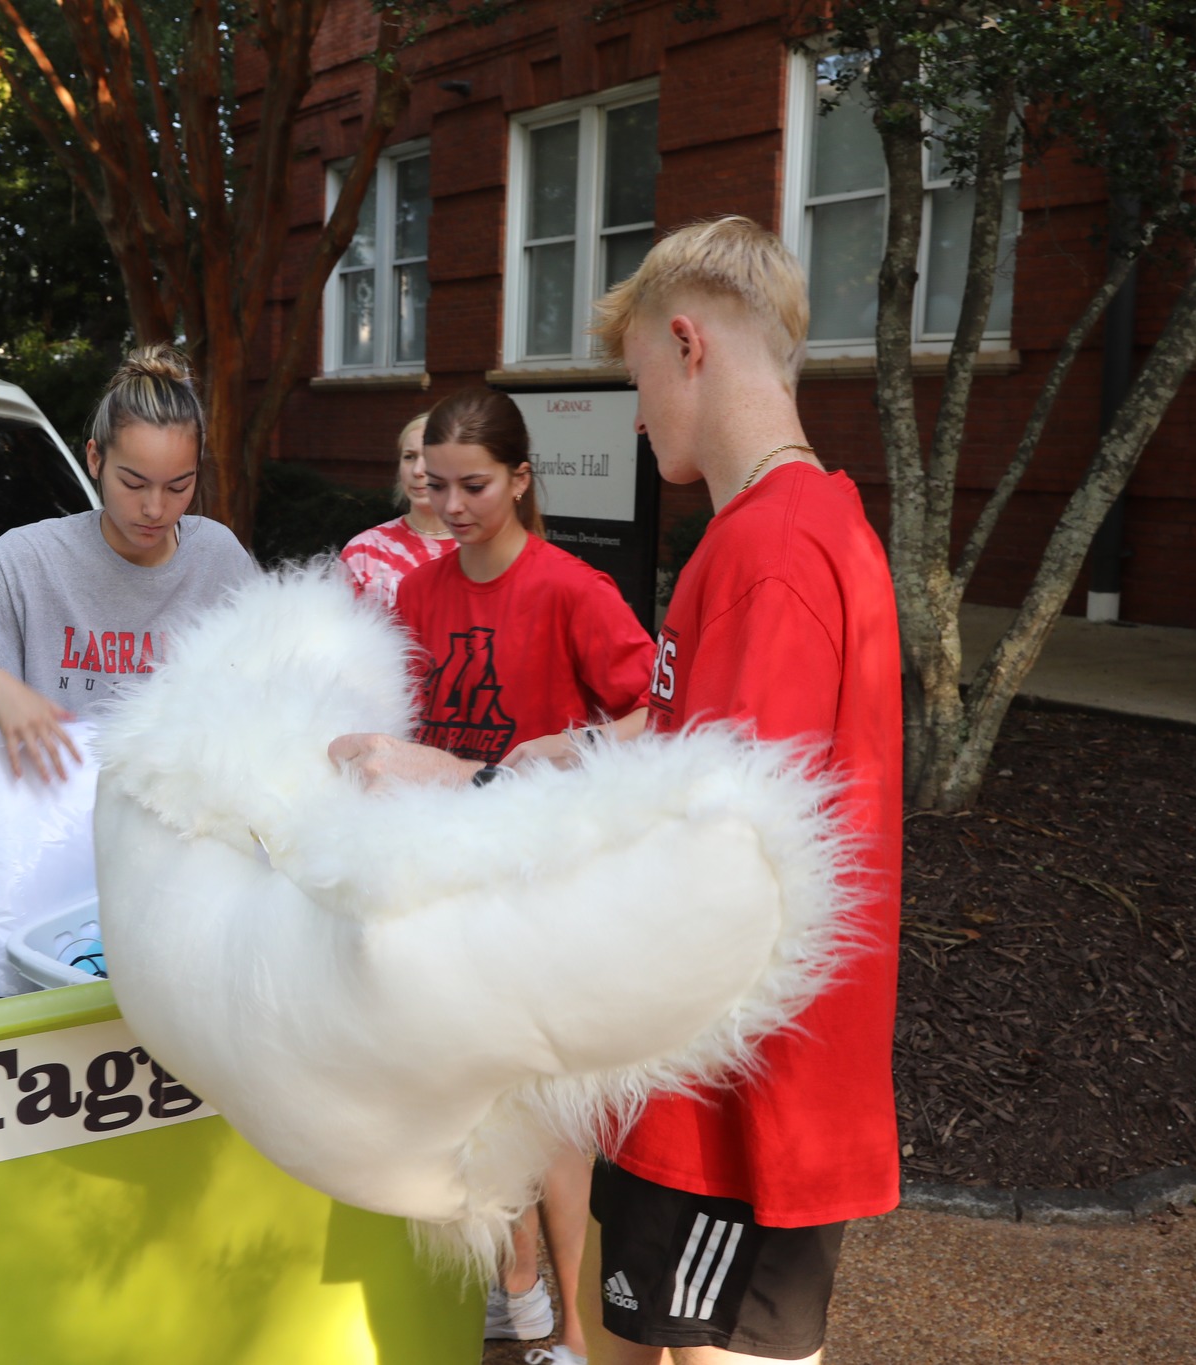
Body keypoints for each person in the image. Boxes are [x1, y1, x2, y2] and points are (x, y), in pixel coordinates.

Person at [333, 216, 902, 1364]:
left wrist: (480, 784)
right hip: (722, 1088)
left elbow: (725, 849)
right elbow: (710, 754)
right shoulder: (800, 527)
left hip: (734, 1106)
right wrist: (578, 759)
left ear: (687, 344)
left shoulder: (765, 554)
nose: (636, 417)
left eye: (638, 376)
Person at [393, 387, 657, 1365]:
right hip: (448, 884)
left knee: (554, 1132)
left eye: (473, 485)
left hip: (545, 893)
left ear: (519, 478)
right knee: (474, 1104)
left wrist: (575, 744)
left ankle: (580, 1337)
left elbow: (662, 713)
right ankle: (522, 1311)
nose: (451, 505)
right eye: (435, 484)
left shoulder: (571, 591)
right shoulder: (417, 591)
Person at [0, 345, 257, 779]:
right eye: (133, 483)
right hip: (55, 823)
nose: (154, 509)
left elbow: (284, 684)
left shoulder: (218, 557)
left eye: (178, 486)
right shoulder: (27, 559)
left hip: (179, 821)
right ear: (95, 459)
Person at [339, 411, 456, 609]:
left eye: (430, 457)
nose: (418, 470)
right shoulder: (364, 551)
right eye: (409, 457)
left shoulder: (481, 549)